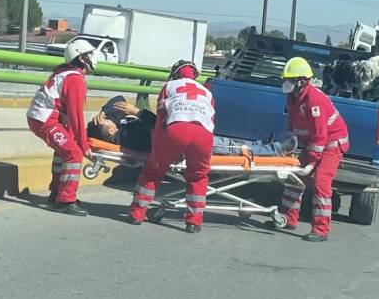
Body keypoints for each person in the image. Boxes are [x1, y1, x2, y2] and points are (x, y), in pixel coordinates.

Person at [127, 60, 215, 233]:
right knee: (198, 177)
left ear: (175, 73)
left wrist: (159, 148)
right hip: (204, 134)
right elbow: (211, 119)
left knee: (153, 172)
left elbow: (161, 117)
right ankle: (194, 222)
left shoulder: (169, 87)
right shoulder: (207, 92)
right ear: (195, 75)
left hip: (176, 129)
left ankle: (137, 214)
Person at [267, 57, 349, 242]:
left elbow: (320, 135)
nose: (284, 83)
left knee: (321, 183)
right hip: (315, 142)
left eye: (288, 79)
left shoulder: (315, 100)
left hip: (332, 143)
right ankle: (287, 219)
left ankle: (321, 230)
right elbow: (292, 125)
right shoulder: (293, 98)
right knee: (294, 177)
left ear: (301, 80)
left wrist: (311, 161)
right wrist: (289, 147)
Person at [87, 95, 297, 156]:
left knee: (228, 143)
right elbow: (159, 126)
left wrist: (104, 111)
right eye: (107, 121)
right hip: (180, 145)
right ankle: (273, 150)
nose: (110, 118)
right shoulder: (127, 137)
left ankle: (263, 145)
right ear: (110, 131)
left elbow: (118, 98)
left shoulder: (121, 127)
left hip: (181, 137)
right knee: (229, 147)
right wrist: (138, 112)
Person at [26, 39, 96, 216]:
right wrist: (84, 144)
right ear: (81, 58)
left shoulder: (65, 73)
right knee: (74, 153)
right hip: (46, 119)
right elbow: (76, 115)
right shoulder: (74, 79)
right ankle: (65, 200)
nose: (93, 57)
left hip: (42, 117)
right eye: (89, 54)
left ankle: (57, 192)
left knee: (63, 153)